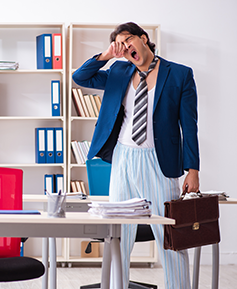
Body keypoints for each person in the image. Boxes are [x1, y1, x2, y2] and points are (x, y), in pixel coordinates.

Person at [72, 22, 199, 289]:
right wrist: (107, 55)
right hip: (123, 158)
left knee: (169, 236)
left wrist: (193, 170)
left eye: (129, 39)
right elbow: (80, 77)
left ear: (144, 38)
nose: (127, 47)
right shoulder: (119, 70)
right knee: (119, 234)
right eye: (121, 44)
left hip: (159, 161)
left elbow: (189, 126)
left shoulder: (179, 74)